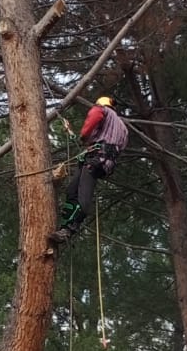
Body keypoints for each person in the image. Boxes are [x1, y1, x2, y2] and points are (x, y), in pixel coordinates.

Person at [48, 95, 128, 249]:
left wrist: (83, 137)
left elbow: (92, 121)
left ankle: (70, 229)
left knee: (83, 196)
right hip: (103, 162)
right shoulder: (122, 127)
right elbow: (115, 145)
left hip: (96, 159)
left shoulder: (102, 110)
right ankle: (65, 227)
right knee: (72, 190)